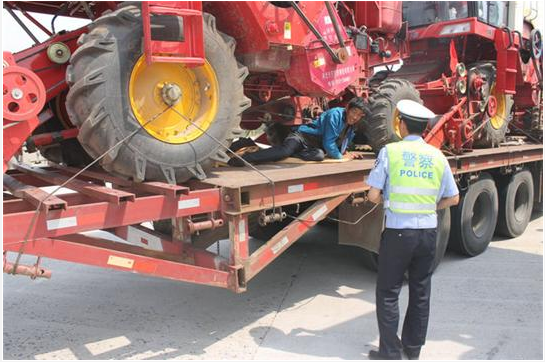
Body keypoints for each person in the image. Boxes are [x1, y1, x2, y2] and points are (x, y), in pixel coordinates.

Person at [365, 99, 460, 360]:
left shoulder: (390, 152)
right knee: (420, 291)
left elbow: (373, 195)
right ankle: (413, 349)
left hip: (398, 233)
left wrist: (390, 201)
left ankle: (390, 353)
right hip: (428, 233)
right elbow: (453, 198)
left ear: (403, 125)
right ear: (425, 127)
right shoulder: (438, 156)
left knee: (388, 291)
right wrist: (429, 205)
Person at [227, 97, 367, 167]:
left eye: (359, 115)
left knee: (318, 155)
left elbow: (342, 143)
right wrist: (340, 157)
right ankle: (243, 160)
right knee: (283, 152)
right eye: (354, 112)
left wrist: (347, 153)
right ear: (348, 108)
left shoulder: (352, 125)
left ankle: (294, 153)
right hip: (301, 137)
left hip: (313, 147)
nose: (355, 117)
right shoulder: (335, 115)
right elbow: (329, 142)